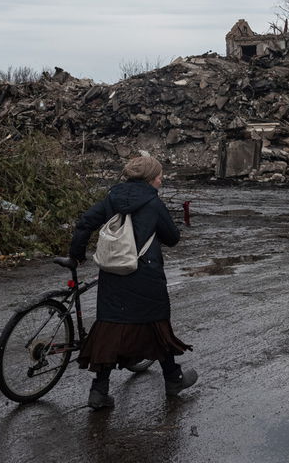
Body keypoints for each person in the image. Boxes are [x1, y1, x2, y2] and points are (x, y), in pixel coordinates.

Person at [68, 156, 198, 410]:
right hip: (144, 274)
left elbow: (85, 223)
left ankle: (99, 390)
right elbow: (172, 238)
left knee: (110, 327)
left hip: (113, 274)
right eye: (160, 175)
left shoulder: (112, 198)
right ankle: (173, 380)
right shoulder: (153, 202)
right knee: (157, 326)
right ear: (151, 179)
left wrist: (77, 253)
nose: (162, 179)